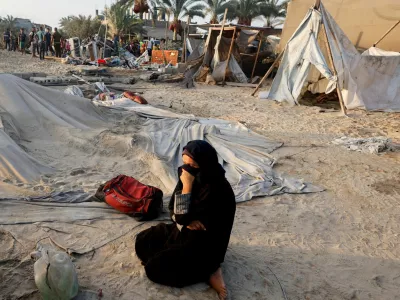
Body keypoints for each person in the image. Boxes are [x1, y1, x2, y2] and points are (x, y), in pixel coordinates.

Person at [135, 140, 236, 300]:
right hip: (184, 231)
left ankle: (212, 270)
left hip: (203, 245)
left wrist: (187, 187)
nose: (187, 170)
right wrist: (184, 220)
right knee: (142, 240)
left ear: (205, 164)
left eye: (194, 166)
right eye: (185, 163)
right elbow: (172, 210)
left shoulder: (216, 189)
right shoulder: (188, 174)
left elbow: (180, 216)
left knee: (153, 269)